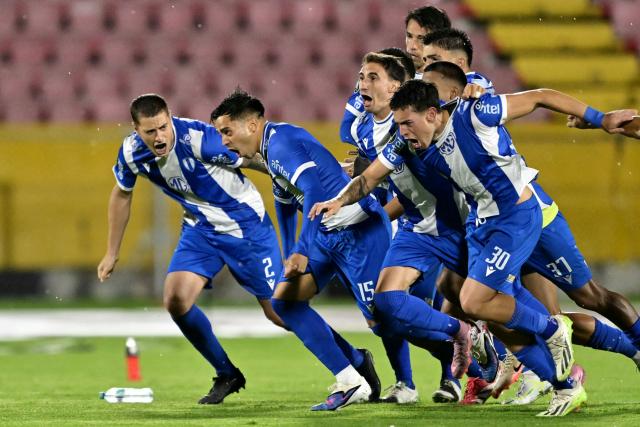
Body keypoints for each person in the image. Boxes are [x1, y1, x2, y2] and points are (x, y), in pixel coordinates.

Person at [386, 74, 635, 416]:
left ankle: (618, 348)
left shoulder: (473, 104)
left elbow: (540, 95)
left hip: (527, 217)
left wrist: (599, 118)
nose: (418, 54)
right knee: (487, 307)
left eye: (424, 50)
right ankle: (555, 379)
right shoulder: (419, 139)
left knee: (586, 298)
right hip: (483, 225)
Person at [97, 94, 287, 404]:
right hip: (201, 228)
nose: (159, 137)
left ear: (170, 118)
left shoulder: (200, 139)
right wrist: (111, 251)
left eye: (163, 127)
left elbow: (253, 157)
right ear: (136, 129)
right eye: (150, 132)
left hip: (245, 226)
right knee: (176, 299)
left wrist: (305, 177)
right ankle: (227, 373)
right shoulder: (131, 153)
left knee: (280, 313)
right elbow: (121, 194)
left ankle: (354, 362)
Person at [210, 89, 390, 411]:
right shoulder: (270, 148)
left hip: (356, 228)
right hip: (326, 233)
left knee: (389, 317)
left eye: (227, 131)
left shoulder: (280, 144)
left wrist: (302, 250)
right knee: (285, 302)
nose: (224, 141)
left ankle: (465, 358)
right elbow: (284, 204)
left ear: (251, 125)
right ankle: (352, 373)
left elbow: (313, 190)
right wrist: (290, 251)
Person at [345, 51, 472, 404]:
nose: (362, 84)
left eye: (372, 77)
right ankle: (412, 380)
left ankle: (458, 373)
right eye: (361, 76)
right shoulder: (360, 126)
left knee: (423, 306)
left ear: (396, 87)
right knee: (390, 312)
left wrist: (375, 211)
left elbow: (421, 188)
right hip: (405, 226)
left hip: (432, 224)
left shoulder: (414, 125)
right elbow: (383, 180)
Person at [340, 5, 451, 148]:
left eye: (421, 39)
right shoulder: (382, 73)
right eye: (409, 36)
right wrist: (367, 156)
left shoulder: (451, 84)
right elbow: (347, 131)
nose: (412, 46)